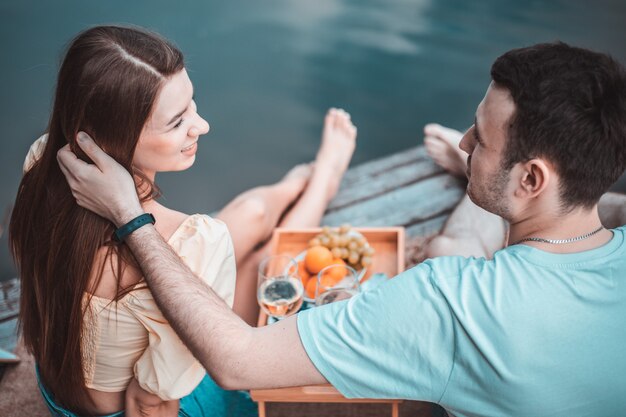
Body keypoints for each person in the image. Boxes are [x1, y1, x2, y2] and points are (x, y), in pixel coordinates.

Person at [57, 42, 626, 417]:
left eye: (480, 138)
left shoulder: (447, 299)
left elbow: (238, 363)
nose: (463, 141)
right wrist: (487, 178)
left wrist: (133, 219)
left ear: (531, 179)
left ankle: (320, 179)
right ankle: (323, 178)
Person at [9, 26, 356, 417]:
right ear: (110, 136)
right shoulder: (194, 241)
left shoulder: (42, 163)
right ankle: (321, 181)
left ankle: (300, 182)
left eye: (192, 103)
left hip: (63, 388)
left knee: (251, 216)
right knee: (267, 265)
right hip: (148, 406)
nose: (202, 125)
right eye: (176, 122)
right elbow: (152, 402)